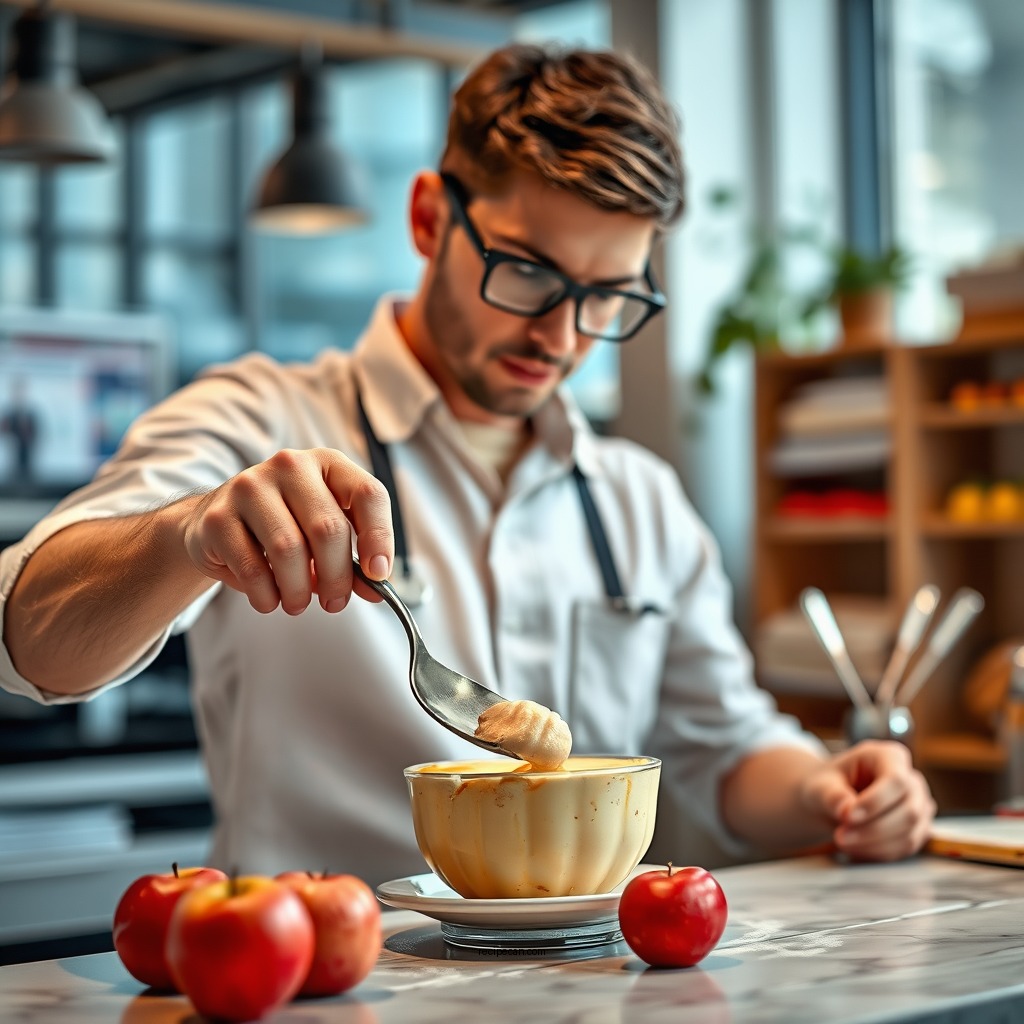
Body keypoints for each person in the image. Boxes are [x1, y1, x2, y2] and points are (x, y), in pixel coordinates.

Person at [0, 43, 934, 887]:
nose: (563, 336)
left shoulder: (638, 502)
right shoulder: (255, 420)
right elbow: (27, 639)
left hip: (585, 991)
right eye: (529, 273)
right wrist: (183, 534)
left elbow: (726, 753)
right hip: (319, 981)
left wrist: (829, 791)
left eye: (607, 297)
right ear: (426, 218)